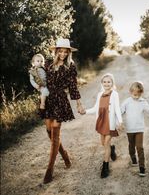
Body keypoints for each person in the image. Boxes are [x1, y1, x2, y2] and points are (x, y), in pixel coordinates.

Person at [42, 38, 85, 184]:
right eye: (60, 51)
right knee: (49, 131)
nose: (62, 54)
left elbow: (73, 87)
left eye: (65, 52)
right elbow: (40, 79)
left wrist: (79, 104)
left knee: (55, 135)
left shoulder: (71, 66)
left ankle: (50, 170)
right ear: (56, 51)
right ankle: (65, 155)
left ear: (68, 53)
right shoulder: (47, 63)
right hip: (48, 100)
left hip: (60, 101)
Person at [85, 73, 123, 178]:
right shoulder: (99, 94)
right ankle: (112, 149)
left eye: (109, 82)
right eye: (104, 82)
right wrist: (85, 111)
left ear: (112, 83)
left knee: (106, 143)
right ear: (102, 83)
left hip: (110, 123)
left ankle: (105, 166)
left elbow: (117, 109)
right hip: (101, 122)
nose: (106, 83)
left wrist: (120, 121)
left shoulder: (114, 94)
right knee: (103, 143)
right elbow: (95, 108)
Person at [121, 81, 149, 177]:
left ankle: (142, 167)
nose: (136, 95)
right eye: (134, 93)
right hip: (130, 129)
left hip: (139, 129)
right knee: (131, 145)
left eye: (138, 93)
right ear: (131, 92)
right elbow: (119, 112)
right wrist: (117, 122)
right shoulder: (126, 102)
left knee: (140, 147)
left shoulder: (143, 102)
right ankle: (133, 157)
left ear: (141, 93)